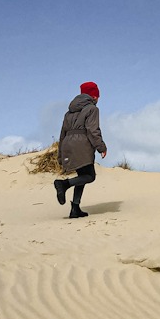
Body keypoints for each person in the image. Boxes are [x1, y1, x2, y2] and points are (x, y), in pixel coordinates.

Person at [54, 81, 107, 218]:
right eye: (98, 95)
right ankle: (64, 184)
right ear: (94, 96)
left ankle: (75, 208)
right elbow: (92, 130)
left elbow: (62, 133)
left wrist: (60, 154)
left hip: (68, 144)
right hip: (82, 144)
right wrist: (101, 147)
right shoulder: (92, 109)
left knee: (82, 176)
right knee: (90, 176)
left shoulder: (69, 112)